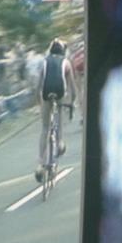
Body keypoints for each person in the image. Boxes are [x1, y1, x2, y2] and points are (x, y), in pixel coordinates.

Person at [34, 38, 77, 182]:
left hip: (46, 93)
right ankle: (59, 142)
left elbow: (38, 86)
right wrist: (71, 103)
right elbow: (72, 88)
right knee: (59, 115)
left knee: (45, 128)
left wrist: (39, 103)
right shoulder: (66, 63)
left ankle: (40, 164)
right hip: (59, 92)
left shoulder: (44, 61)